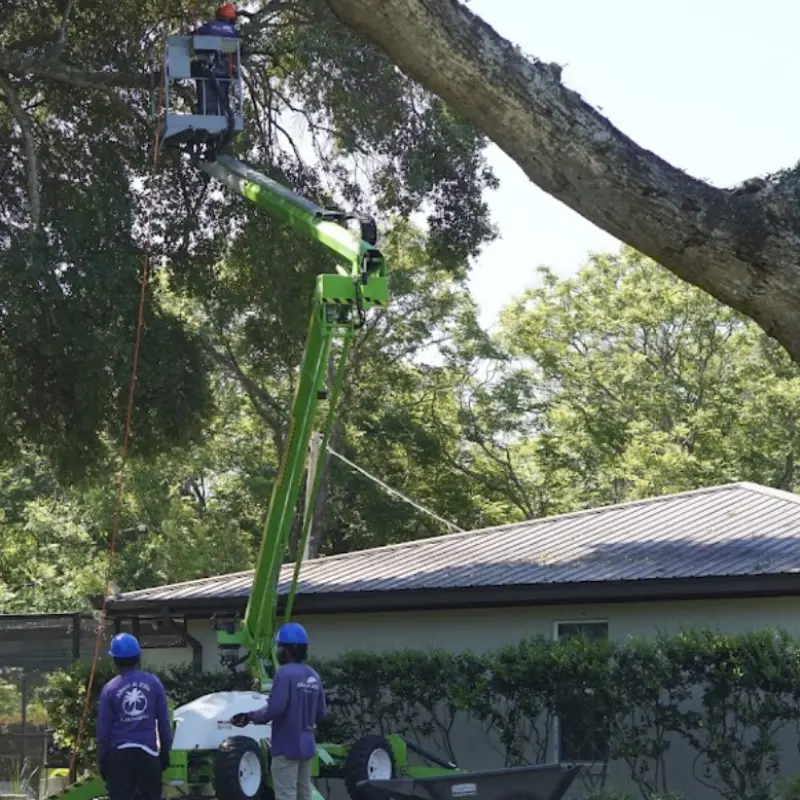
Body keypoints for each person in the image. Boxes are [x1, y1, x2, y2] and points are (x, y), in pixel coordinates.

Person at [230, 623, 327, 800]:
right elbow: (321, 712)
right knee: (304, 794)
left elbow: (275, 708)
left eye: (279, 647)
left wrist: (249, 717)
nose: (277, 651)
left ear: (286, 650)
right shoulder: (314, 675)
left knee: (286, 794)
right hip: (307, 746)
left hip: (286, 747)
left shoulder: (284, 673)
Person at [96, 633, 172, 800]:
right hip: (148, 754)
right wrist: (165, 752)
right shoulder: (153, 683)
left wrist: (103, 759)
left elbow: (103, 730)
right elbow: (163, 722)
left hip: (119, 757)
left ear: (114, 660)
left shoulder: (110, 688)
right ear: (138, 657)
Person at [191, 3, 240, 117]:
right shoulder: (233, 32)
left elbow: (192, 38)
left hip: (207, 70)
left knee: (206, 93)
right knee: (222, 95)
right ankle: (223, 113)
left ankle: (206, 111)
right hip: (224, 72)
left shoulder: (210, 26)